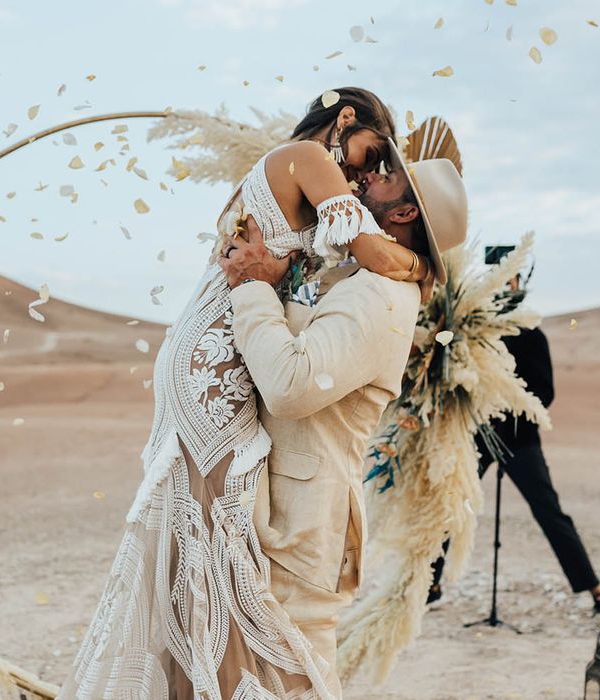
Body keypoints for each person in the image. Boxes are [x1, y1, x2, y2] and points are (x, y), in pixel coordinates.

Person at [55, 87, 449, 700]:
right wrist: (416, 268)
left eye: (383, 169)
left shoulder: (352, 249)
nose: (368, 173)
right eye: (376, 156)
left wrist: (411, 268)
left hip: (240, 414)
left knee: (244, 602)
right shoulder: (314, 183)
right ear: (344, 120)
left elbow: (298, 361)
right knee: (211, 569)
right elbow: (357, 257)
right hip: (220, 377)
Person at [218, 137, 468, 697]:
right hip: (285, 509)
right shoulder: (361, 277)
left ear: (402, 212)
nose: (366, 177)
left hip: (305, 521)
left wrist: (255, 289)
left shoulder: (380, 296)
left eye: (385, 176)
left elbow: (289, 386)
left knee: (296, 678)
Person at [426, 250, 600, 622]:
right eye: (496, 278)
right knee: (450, 507)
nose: (502, 286)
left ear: (518, 283)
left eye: (508, 279)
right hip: (479, 435)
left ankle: (594, 590)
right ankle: (428, 584)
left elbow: (544, 394)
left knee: (549, 511)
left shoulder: (531, 333)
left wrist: (506, 410)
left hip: (520, 441)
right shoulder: (476, 333)